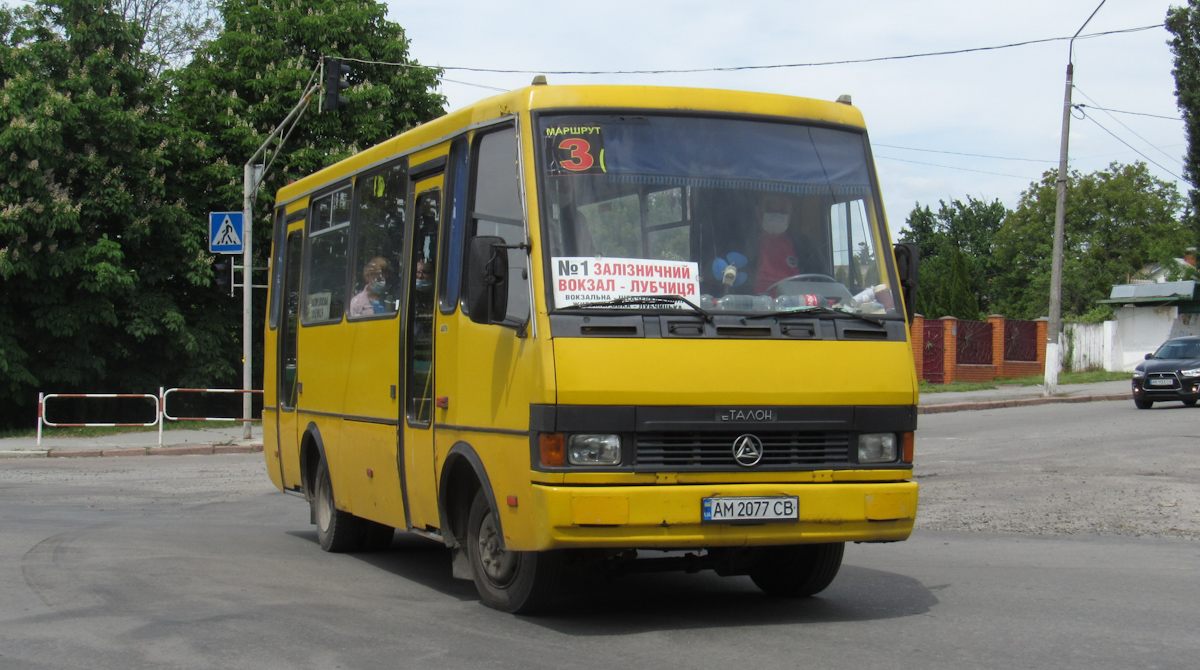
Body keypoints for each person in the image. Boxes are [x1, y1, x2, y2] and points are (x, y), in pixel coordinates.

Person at [753, 194, 801, 294]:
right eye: (769, 208)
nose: (776, 214)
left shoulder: (806, 247)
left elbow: (824, 284)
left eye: (783, 209)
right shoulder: (743, 247)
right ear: (758, 211)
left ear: (791, 212)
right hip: (754, 308)